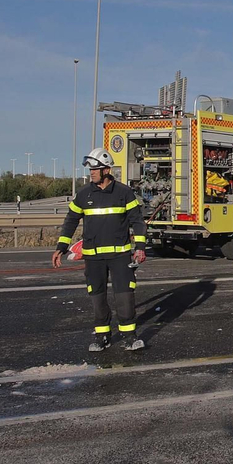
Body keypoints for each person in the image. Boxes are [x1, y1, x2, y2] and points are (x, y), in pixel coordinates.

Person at [52, 148, 148, 351]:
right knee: (97, 296)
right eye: (90, 169)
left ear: (106, 170)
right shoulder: (84, 194)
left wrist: (140, 247)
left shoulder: (124, 193)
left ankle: (129, 336)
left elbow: (137, 221)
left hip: (120, 256)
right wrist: (61, 247)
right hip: (93, 258)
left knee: (124, 295)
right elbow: (71, 221)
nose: (91, 173)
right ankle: (102, 336)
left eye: (95, 169)